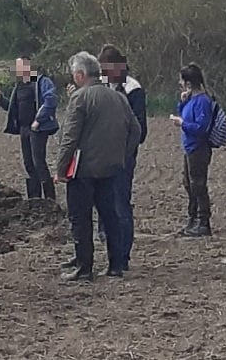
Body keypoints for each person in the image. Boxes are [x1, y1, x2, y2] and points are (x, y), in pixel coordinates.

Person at [55, 51, 141, 281]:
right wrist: (122, 154)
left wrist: (60, 169)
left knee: (81, 218)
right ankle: (116, 265)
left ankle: (84, 267)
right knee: (110, 216)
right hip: (111, 168)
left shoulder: (80, 98)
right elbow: (136, 130)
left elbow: (70, 137)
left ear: (81, 75)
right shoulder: (118, 97)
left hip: (83, 170)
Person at [95, 44, 147, 271]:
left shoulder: (133, 89)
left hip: (123, 158)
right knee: (104, 203)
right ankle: (109, 247)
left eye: (106, 68)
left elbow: (140, 130)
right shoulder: (103, 85)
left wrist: (123, 151)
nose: (103, 73)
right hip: (103, 155)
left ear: (117, 66)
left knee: (120, 204)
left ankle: (122, 254)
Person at [0, 55, 59, 200]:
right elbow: (13, 108)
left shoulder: (41, 81)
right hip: (23, 129)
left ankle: (50, 198)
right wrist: (0, 99)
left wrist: (39, 120)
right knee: (28, 164)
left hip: (38, 129)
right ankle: (34, 198)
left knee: (38, 162)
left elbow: (51, 100)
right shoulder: (19, 86)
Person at [169, 63, 214, 237]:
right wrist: (182, 103)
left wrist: (182, 124)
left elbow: (201, 127)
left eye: (181, 80)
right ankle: (193, 218)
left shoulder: (202, 101)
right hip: (190, 148)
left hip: (199, 148)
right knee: (189, 184)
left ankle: (203, 222)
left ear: (188, 82)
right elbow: (185, 114)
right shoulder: (192, 99)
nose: (179, 83)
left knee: (198, 185)